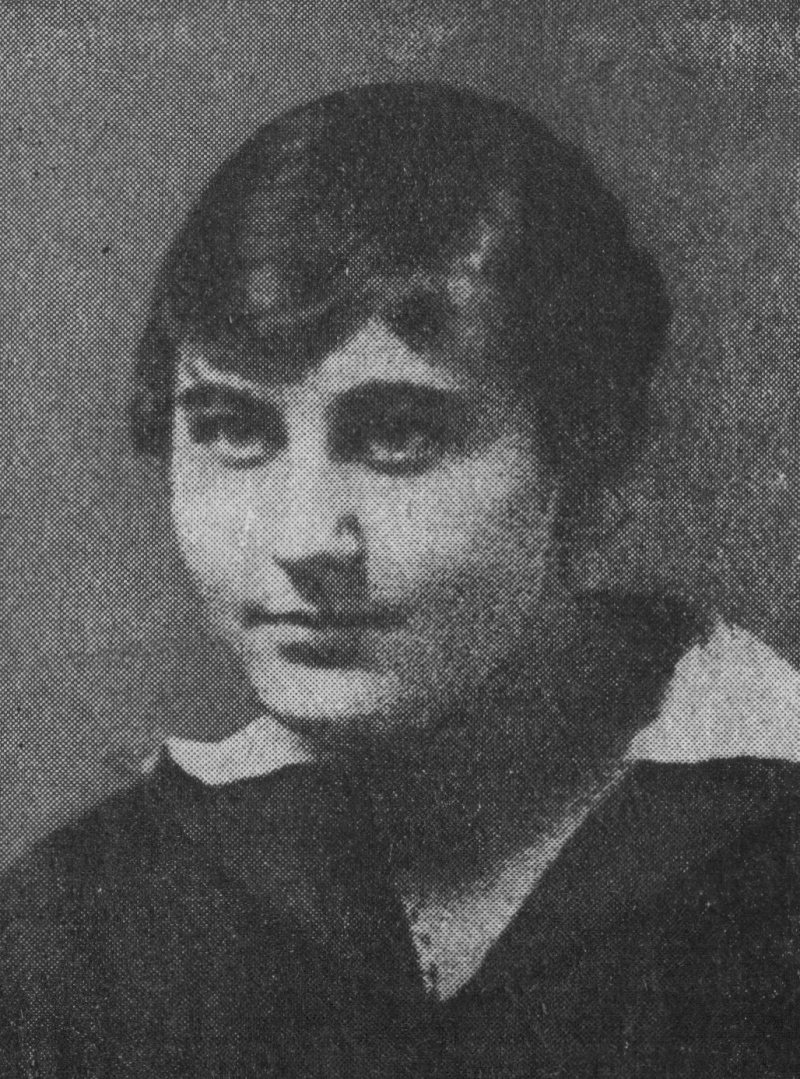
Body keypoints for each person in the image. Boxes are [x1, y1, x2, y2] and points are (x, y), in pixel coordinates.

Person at [1, 81, 799, 1078]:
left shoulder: (770, 853)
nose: (305, 539)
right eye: (234, 431)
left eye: (398, 436)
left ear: (585, 460)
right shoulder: (76, 927)